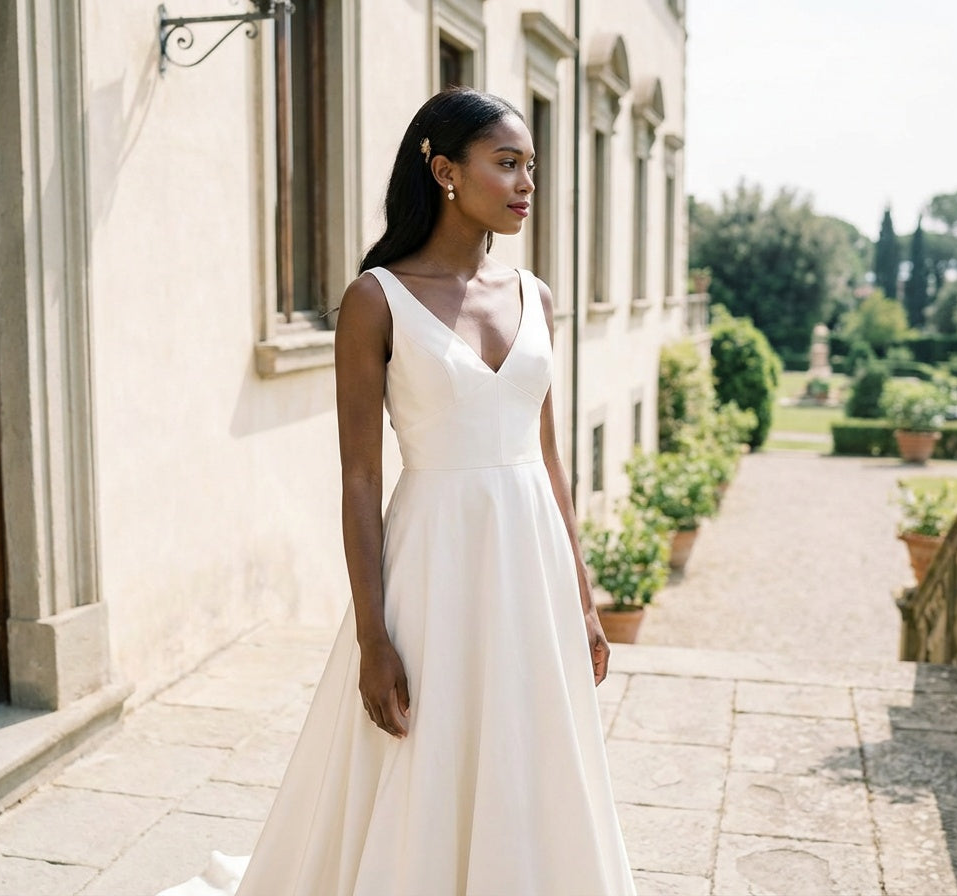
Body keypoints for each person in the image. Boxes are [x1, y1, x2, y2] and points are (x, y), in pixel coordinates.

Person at [162, 87, 635, 896]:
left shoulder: (537, 297)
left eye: (531, 167)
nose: (526, 184)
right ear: (446, 171)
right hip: (434, 561)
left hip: (531, 564)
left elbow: (550, 460)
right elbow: (358, 475)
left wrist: (583, 597)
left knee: (531, 748)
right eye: (508, 163)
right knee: (430, 748)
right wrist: (371, 637)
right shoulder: (374, 298)